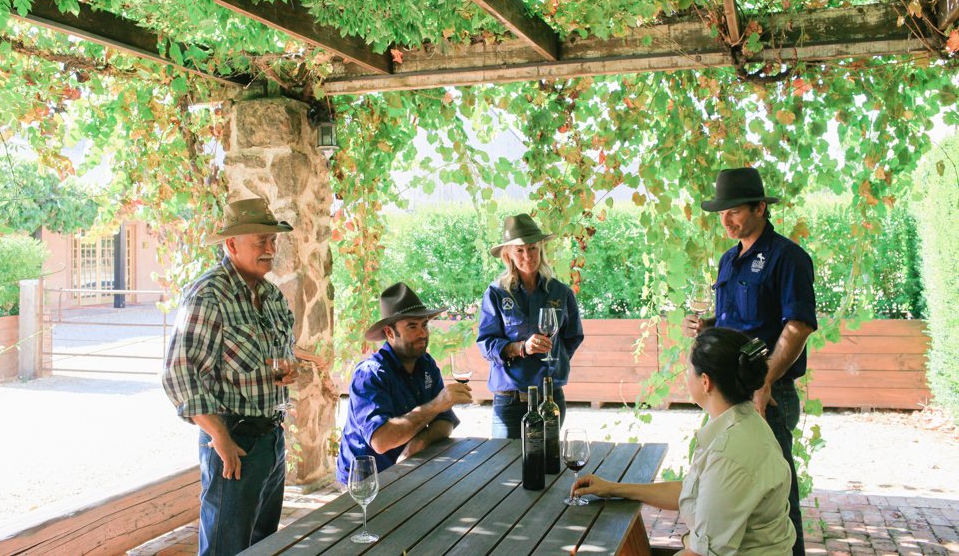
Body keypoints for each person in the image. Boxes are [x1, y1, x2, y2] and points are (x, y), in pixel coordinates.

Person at [162, 197, 329, 556]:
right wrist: (219, 436)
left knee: (263, 547)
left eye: (273, 241)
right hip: (232, 443)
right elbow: (180, 374)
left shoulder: (270, 296)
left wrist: (291, 370)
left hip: (271, 439)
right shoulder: (208, 294)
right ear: (232, 244)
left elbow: (281, 355)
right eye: (261, 241)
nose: (270, 249)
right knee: (226, 549)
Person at [682, 167, 817, 556]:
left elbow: (798, 325)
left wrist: (765, 382)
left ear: (761, 207)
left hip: (767, 395)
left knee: (777, 502)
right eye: (722, 213)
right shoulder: (728, 259)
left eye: (735, 211)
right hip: (729, 393)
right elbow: (736, 321)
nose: (726, 219)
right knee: (730, 491)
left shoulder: (788, 257)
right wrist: (705, 325)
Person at [573, 327, 796, 556]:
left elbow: (704, 554)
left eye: (689, 370)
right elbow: (695, 493)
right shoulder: (743, 422)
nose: (685, 375)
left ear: (706, 382)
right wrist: (613, 489)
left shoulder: (729, 452)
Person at [336, 282, 472, 484]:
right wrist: (436, 404)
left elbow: (445, 421)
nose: (423, 334)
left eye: (424, 324)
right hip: (365, 480)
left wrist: (418, 444)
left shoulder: (426, 364)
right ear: (390, 333)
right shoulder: (370, 374)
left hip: (407, 469)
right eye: (412, 326)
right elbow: (381, 441)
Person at [476, 213, 584, 438]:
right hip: (510, 401)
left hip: (551, 399)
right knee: (505, 470)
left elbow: (573, 337)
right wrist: (521, 348)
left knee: (548, 466)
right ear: (508, 255)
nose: (528, 255)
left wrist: (554, 358)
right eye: (520, 250)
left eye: (533, 248)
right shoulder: (496, 293)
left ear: (541, 248)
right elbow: (485, 344)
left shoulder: (560, 292)